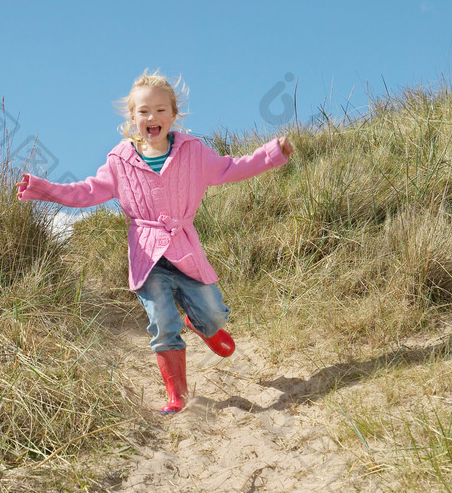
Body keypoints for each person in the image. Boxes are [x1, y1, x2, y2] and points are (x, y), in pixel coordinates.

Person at [16, 71, 293, 414]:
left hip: (184, 249)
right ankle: (178, 395)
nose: (153, 117)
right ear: (132, 118)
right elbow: (86, 192)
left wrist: (272, 154)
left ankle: (202, 323)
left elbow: (232, 168)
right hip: (148, 257)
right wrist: (45, 189)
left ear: (174, 115)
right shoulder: (120, 161)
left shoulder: (194, 152)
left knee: (213, 312)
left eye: (161, 110)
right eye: (144, 111)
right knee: (162, 322)